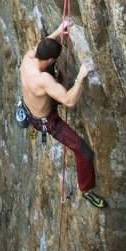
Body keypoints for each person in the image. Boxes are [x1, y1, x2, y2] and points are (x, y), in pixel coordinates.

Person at [19, 20, 108, 210]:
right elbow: (69, 101)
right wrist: (80, 76)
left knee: (54, 79)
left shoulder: (28, 58)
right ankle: (86, 190)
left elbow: (43, 44)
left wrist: (59, 30)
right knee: (84, 152)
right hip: (47, 122)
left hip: (33, 106)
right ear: (51, 59)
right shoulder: (43, 80)